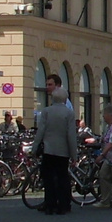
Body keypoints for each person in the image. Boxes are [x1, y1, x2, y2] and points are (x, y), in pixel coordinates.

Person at [35, 86, 78, 215]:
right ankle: (63, 205)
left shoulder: (46, 111)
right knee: (62, 178)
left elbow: (40, 131)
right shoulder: (69, 113)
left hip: (48, 149)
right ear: (65, 99)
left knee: (48, 178)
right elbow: (71, 135)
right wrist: (73, 154)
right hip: (63, 150)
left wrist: (35, 146)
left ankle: (50, 204)